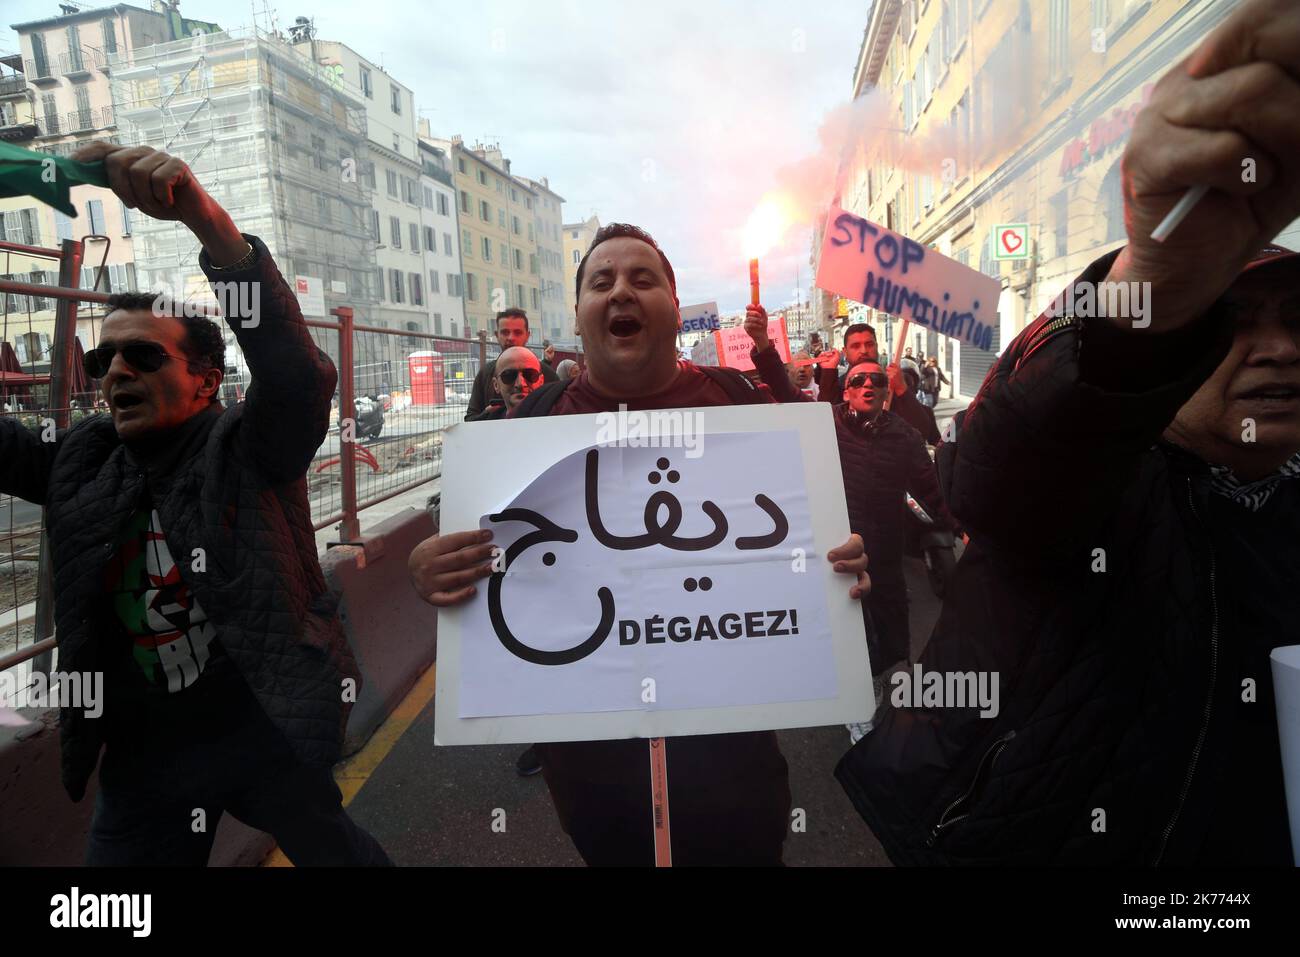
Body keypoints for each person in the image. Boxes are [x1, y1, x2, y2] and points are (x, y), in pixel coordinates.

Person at [838, 0, 1300, 866]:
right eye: (1232, 317)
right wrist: (1151, 295)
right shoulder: (1090, 477)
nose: (1277, 350)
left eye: (1299, 320)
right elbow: (994, 475)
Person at [409, 222, 872, 866]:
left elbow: (815, 541)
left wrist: (841, 564)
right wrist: (430, 568)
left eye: (642, 279)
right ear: (578, 315)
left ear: (674, 309)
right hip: (592, 782)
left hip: (734, 772)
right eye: (602, 282)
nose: (621, 292)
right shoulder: (531, 423)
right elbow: (478, 557)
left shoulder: (741, 403)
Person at [0, 142, 390, 866]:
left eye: (144, 356)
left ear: (208, 381)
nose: (115, 371)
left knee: (336, 853)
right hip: (146, 754)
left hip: (265, 724)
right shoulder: (81, 457)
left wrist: (209, 225)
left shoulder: (251, 448)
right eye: (102, 360)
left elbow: (296, 374)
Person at [466, 310, 558, 419]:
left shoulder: (549, 375)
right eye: (505, 332)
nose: (510, 338)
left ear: (527, 335)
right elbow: (470, 419)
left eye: (530, 375)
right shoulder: (485, 374)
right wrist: (489, 416)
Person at [466, 347, 542, 422]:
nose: (520, 384)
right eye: (509, 376)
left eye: (530, 375)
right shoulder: (486, 427)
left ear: (541, 381)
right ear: (496, 385)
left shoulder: (553, 420)